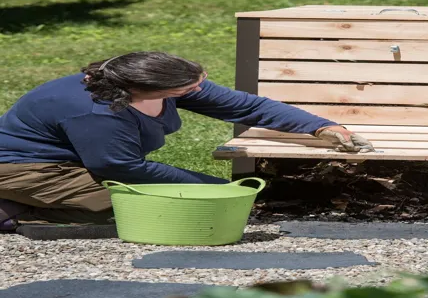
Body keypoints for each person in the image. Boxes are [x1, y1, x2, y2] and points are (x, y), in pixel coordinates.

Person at [0, 51, 374, 230]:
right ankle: (14, 211)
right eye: (191, 87)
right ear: (140, 90)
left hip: (84, 159)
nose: (199, 90)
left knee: (173, 205)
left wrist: (321, 127)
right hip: (24, 168)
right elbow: (123, 169)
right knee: (144, 212)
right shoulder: (97, 113)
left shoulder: (145, 83)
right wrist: (223, 190)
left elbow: (244, 106)